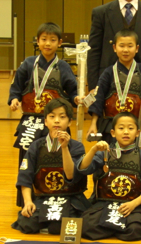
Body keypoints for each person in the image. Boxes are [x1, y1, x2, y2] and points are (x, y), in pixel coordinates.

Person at [8, 22, 81, 206]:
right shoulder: (28, 63)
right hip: (30, 121)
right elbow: (16, 87)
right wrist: (14, 99)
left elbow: (72, 91)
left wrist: (77, 99)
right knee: (28, 158)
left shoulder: (63, 67)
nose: (47, 43)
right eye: (44, 39)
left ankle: (57, 193)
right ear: (37, 41)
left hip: (56, 120)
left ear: (60, 43)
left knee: (58, 156)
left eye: (52, 40)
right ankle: (26, 199)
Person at [12, 98, 90, 235]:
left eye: (62, 117)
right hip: (44, 197)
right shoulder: (36, 146)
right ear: (45, 121)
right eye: (52, 117)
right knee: (27, 223)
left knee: (66, 225)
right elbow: (25, 177)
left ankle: (49, 226)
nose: (57, 121)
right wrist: (28, 202)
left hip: (71, 198)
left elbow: (71, 175)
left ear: (69, 122)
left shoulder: (77, 147)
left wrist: (64, 148)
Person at [78, 113, 141, 241]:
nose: (126, 132)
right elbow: (83, 169)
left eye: (130, 128)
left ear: (137, 133)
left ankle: (108, 229)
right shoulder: (104, 153)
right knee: (86, 226)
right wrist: (93, 150)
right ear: (113, 133)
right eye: (121, 128)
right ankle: (116, 230)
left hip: (130, 206)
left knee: (135, 229)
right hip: (104, 204)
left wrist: (133, 204)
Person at [87, 29, 141, 155]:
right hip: (112, 126)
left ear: (137, 48)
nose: (125, 50)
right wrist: (93, 123)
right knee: (110, 158)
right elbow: (98, 98)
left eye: (130, 46)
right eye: (122, 46)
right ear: (114, 48)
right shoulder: (108, 72)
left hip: (137, 126)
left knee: (139, 161)